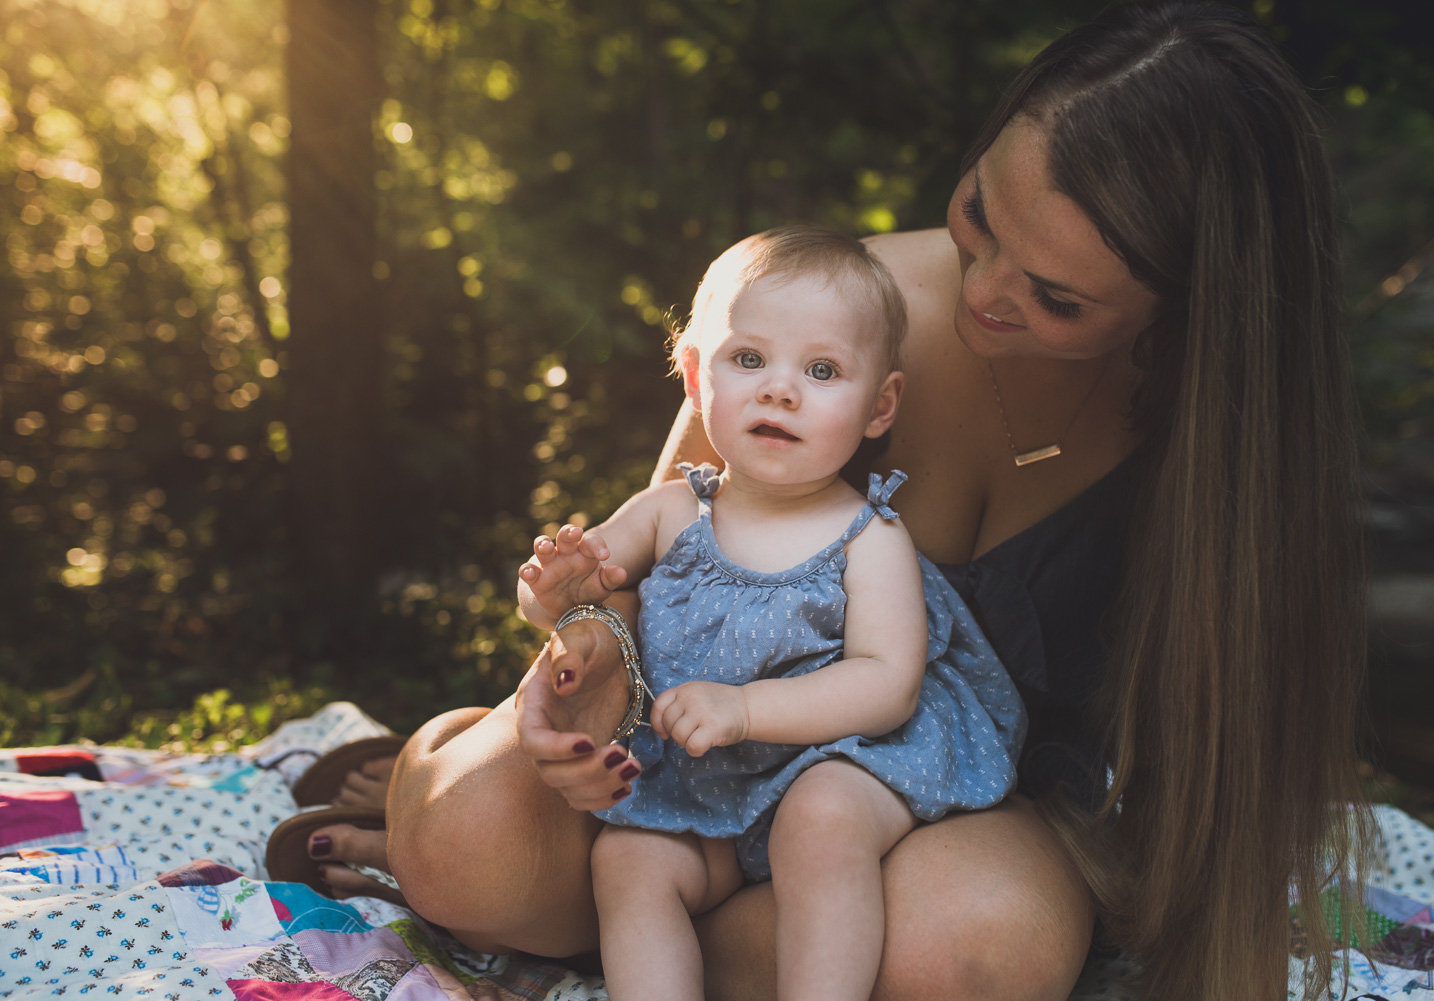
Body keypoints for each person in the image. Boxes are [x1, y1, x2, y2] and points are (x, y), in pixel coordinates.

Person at [300, 4, 1371, 999]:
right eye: (978, 218)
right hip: (701, 762)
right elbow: (664, 543)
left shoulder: (1218, 453)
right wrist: (588, 649)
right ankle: (543, 861)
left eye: (1057, 297)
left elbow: (1202, 772)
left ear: (1183, 309)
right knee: (467, 847)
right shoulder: (836, 319)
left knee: (982, 946)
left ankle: (633, 933)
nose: (986, 293)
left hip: (944, 811)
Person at [514, 225, 1024, 1001]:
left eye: (822, 370)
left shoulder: (869, 535)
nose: (780, 388)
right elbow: (575, 598)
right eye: (749, 359)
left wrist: (747, 706)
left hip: (838, 759)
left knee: (819, 821)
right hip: (704, 781)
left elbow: (889, 683)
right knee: (628, 860)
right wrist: (551, 591)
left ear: (880, 406)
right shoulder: (669, 510)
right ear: (694, 376)